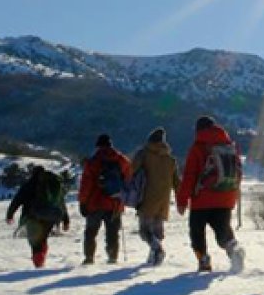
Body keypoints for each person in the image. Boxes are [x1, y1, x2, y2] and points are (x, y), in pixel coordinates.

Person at [176, 116, 245, 273]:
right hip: (225, 196)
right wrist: (231, 194)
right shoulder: (229, 146)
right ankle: (233, 249)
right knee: (223, 229)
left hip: (202, 199)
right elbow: (238, 173)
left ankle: (203, 259)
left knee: (197, 231)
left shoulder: (198, 147)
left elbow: (189, 176)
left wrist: (182, 200)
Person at [78, 134, 131, 264]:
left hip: (95, 203)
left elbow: (86, 184)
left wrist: (83, 202)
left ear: (98, 146)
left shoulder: (93, 161)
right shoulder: (122, 160)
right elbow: (129, 179)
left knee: (91, 232)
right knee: (112, 233)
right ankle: (113, 258)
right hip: (115, 203)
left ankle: (89, 258)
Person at [131, 127, 179, 266]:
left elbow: (132, 170)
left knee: (145, 230)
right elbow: (177, 181)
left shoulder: (144, 154)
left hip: (147, 197)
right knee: (157, 231)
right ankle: (154, 257)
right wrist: (182, 198)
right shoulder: (170, 159)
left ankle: (157, 250)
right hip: (164, 200)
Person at [6, 165, 70, 268]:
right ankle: (41, 262)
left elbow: (16, 201)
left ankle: (39, 265)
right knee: (43, 238)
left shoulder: (29, 185)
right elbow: (61, 203)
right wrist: (66, 220)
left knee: (35, 243)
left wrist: (10, 215)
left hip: (33, 217)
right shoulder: (52, 185)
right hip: (51, 216)